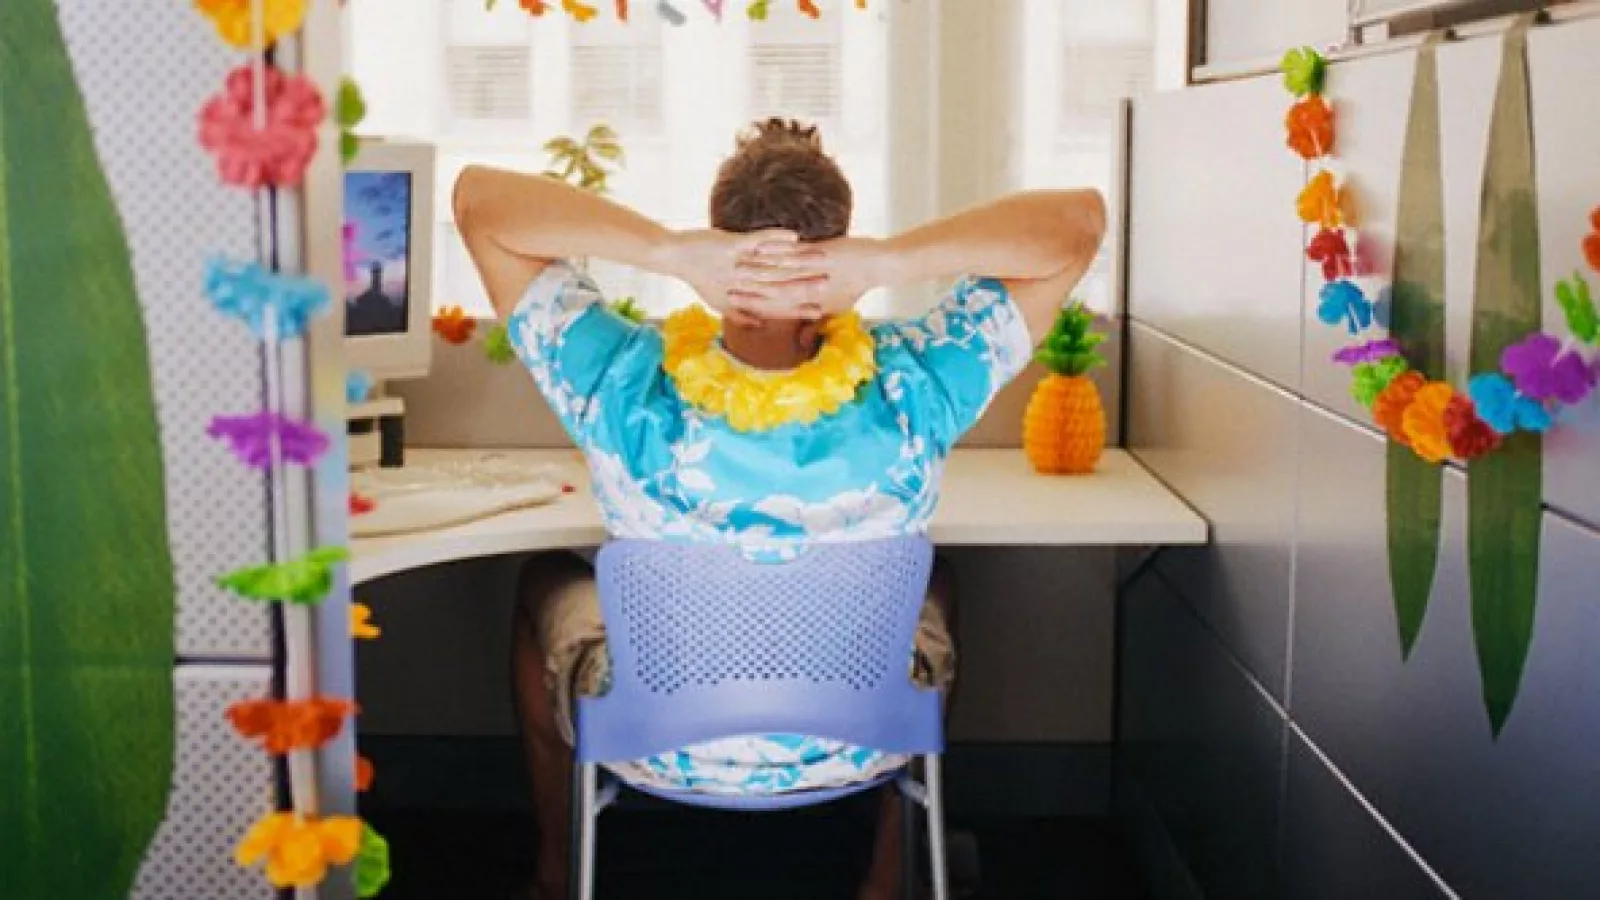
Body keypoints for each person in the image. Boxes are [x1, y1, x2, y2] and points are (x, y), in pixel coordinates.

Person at [453, 118, 1105, 900]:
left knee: (543, 581)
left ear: (717, 239)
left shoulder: (622, 381)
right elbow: (1079, 222)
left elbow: (479, 201)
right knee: (938, 587)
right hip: (863, 741)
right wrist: (887, 262)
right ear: (840, 244)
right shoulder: (913, 381)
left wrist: (669, 252)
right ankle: (885, 880)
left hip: (655, 741)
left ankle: (557, 874)